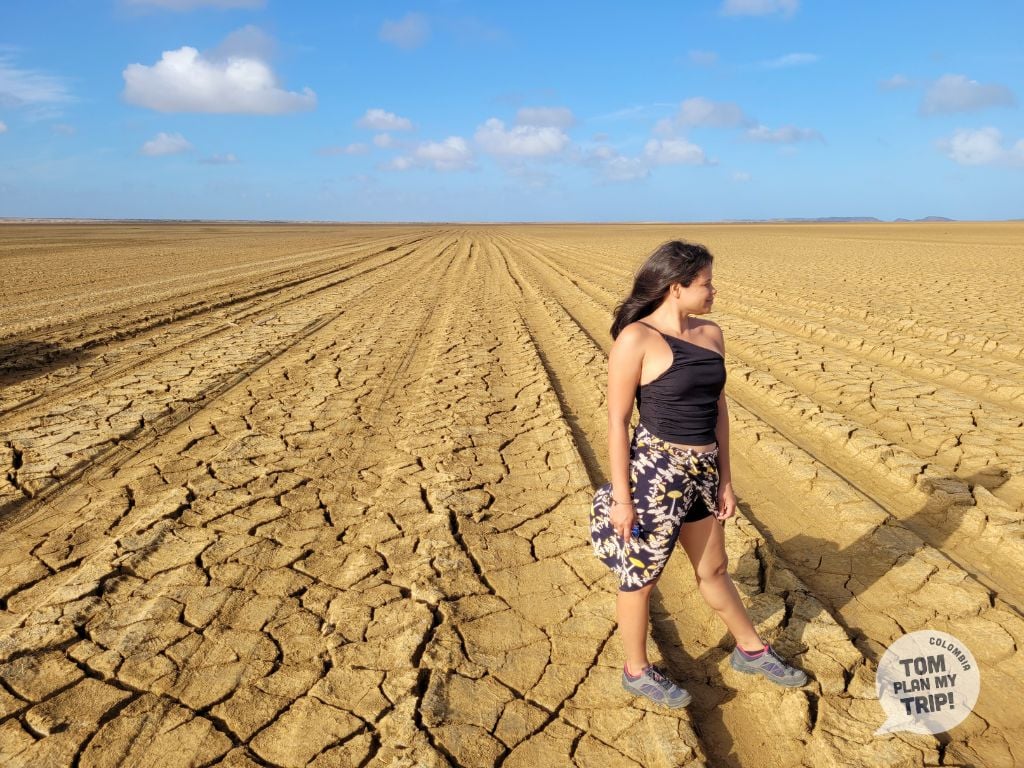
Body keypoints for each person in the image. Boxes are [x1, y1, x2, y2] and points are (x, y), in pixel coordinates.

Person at [589, 239, 808, 709]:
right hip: (655, 474)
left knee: (713, 569)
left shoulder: (712, 334)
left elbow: (719, 409)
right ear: (676, 287)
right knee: (640, 580)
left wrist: (725, 477)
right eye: (706, 283)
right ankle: (636, 669)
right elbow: (616, 422)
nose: (714, 291)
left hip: (703, 471)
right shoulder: (636, 339)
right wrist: (622, 499)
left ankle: (750, 650)